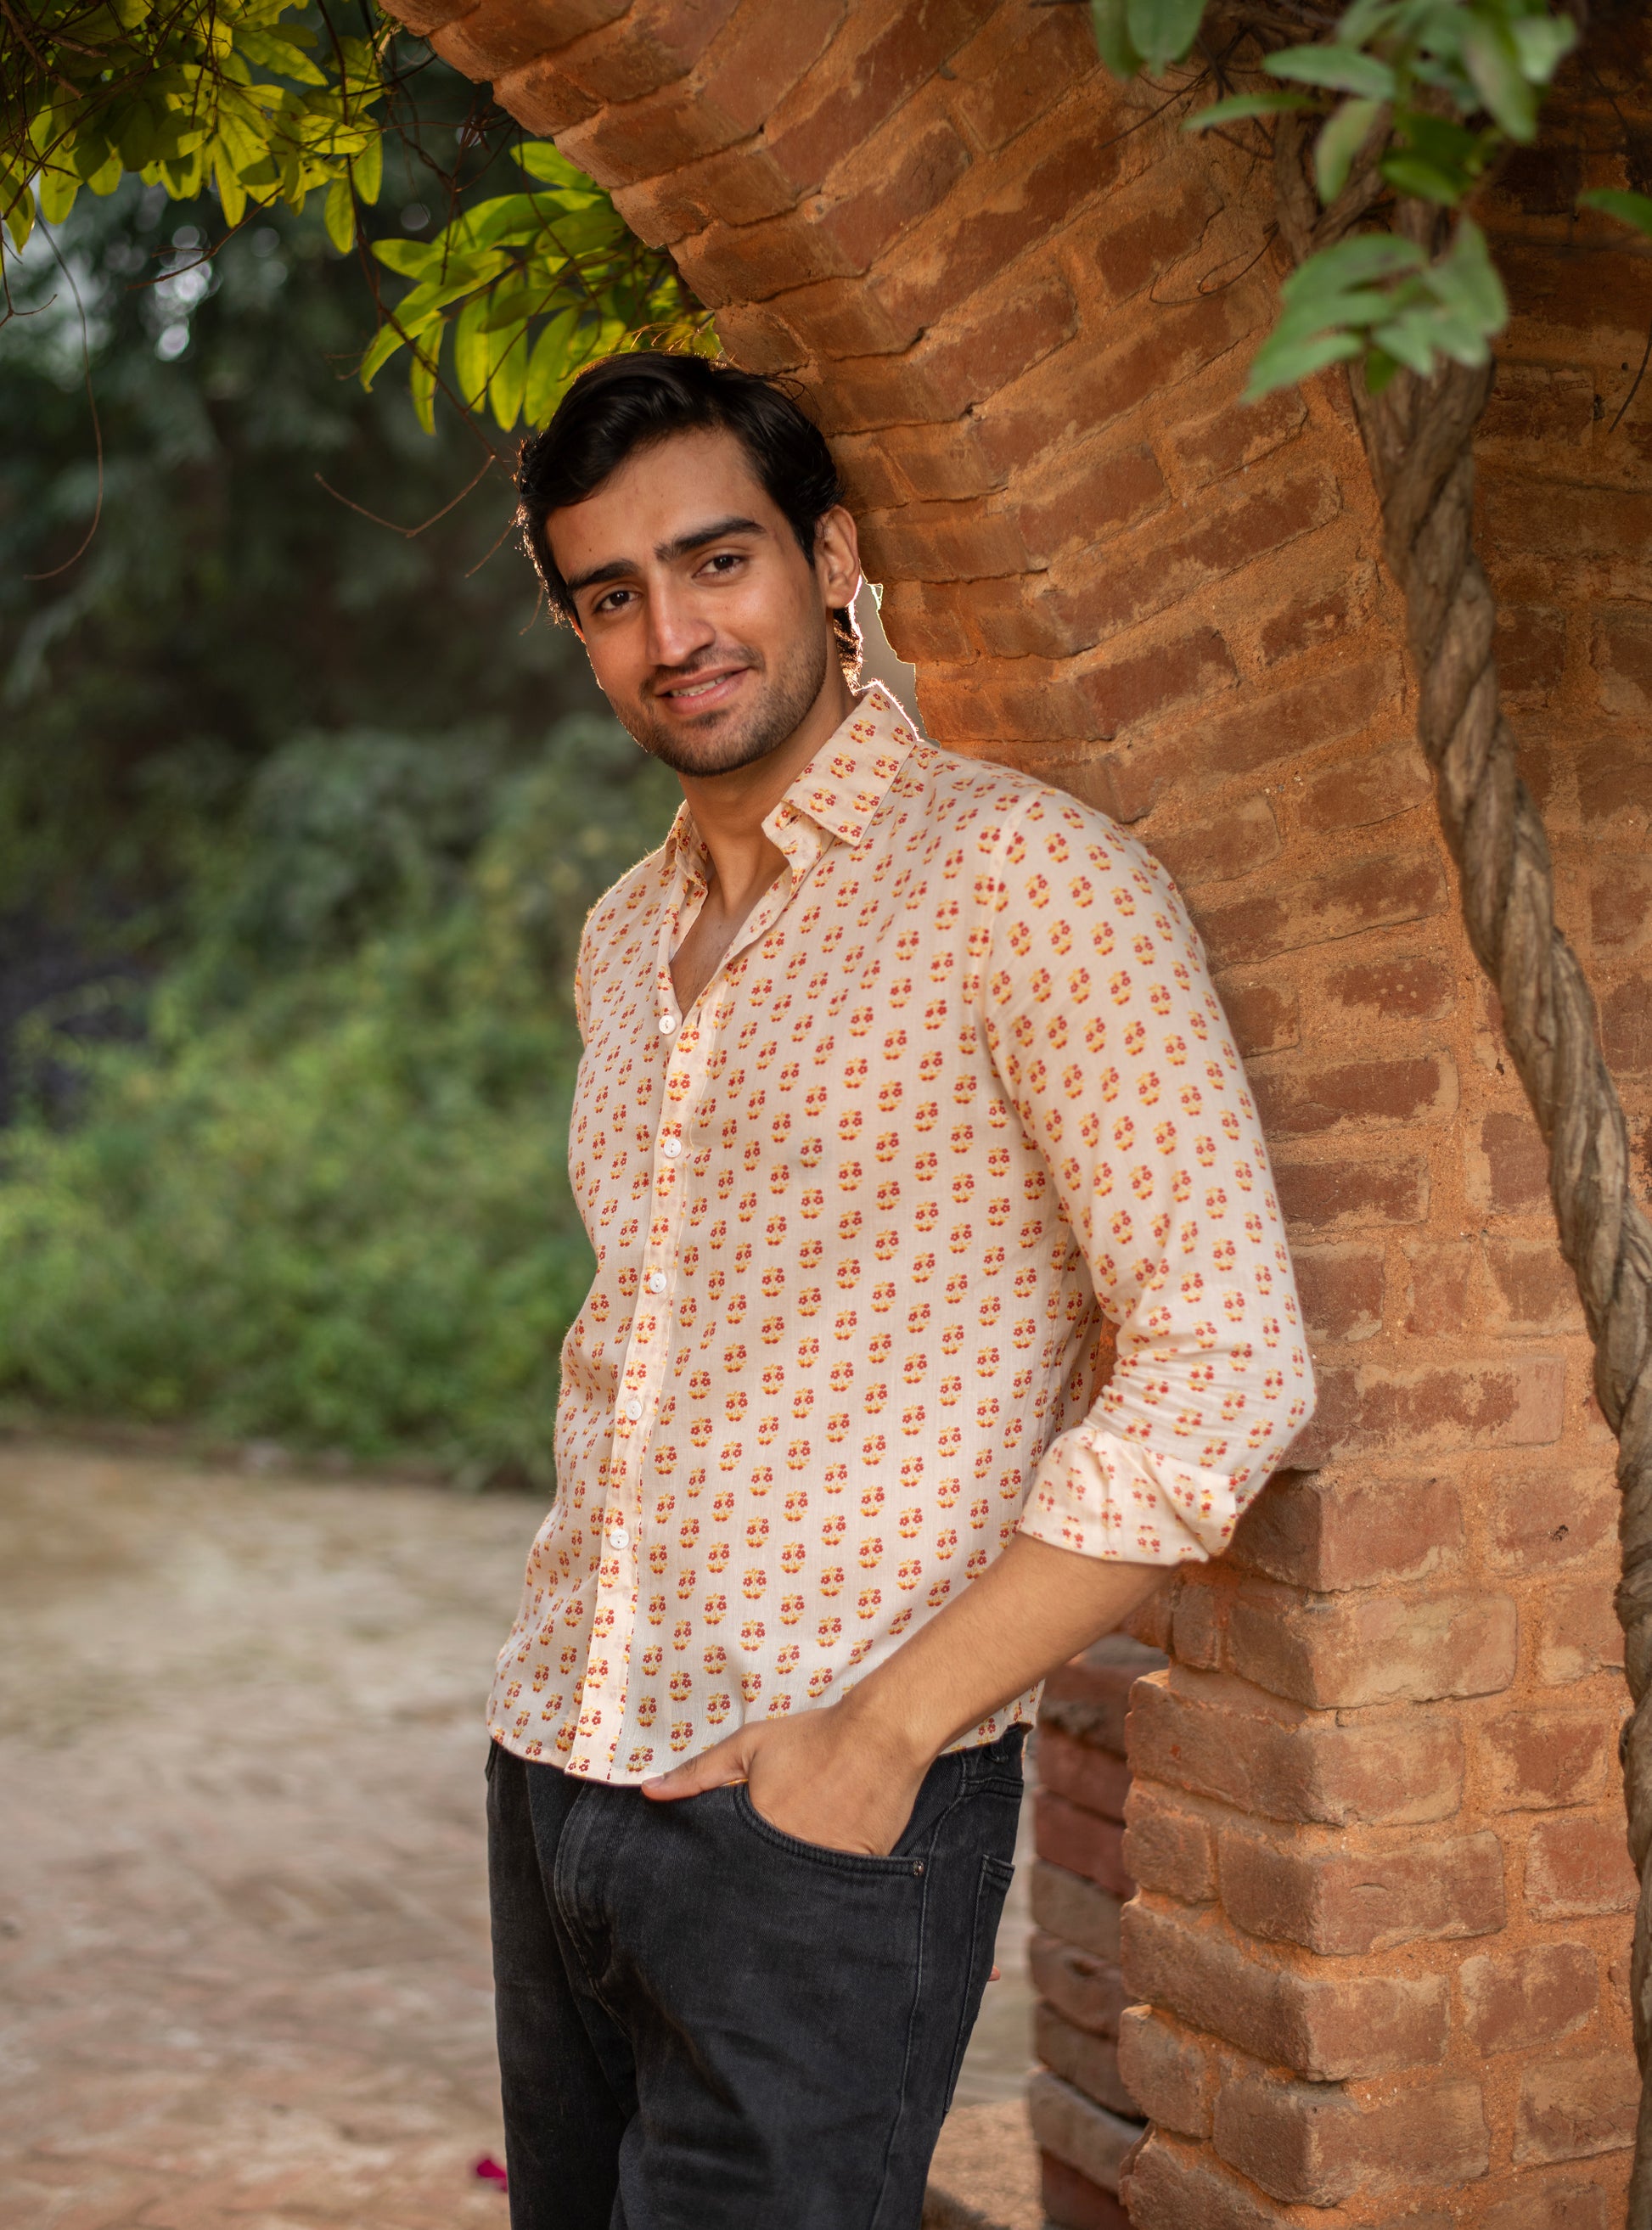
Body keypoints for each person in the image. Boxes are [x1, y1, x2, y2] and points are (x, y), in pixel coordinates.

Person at [486, 351, 1315, 2230]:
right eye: (610, 596)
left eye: (717, 562)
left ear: (832, 556)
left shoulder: (1023, 881)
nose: (672, 635)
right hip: (556, 1764)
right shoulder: (624, 937)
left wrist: (877, 1740)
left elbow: (1222, 1372)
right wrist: (549, 1742)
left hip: (825, 1815)